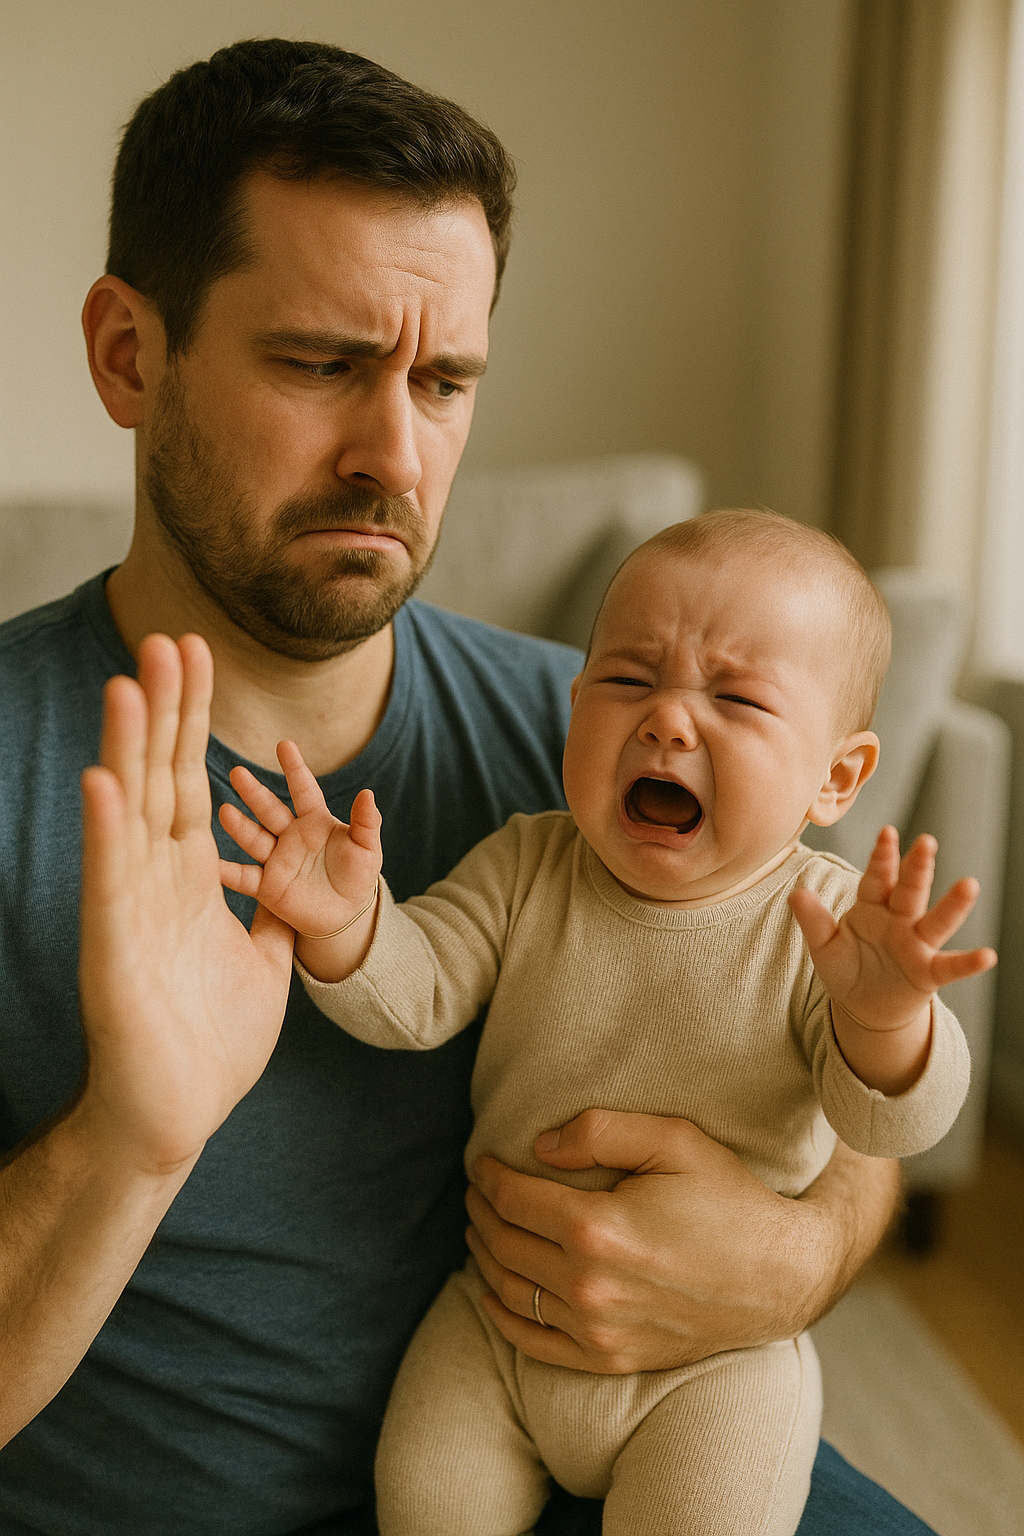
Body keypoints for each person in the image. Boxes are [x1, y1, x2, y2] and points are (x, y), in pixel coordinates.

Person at [0, 37, 930, 1536]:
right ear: (129, 353)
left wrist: (798, 1250)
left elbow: (846, 1074)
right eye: (320, 365)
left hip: (637, 1461)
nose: (396, 452)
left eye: (444, 380)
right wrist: (131, 1140)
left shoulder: (598, 739)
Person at [220, 510, 983, 1535]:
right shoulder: (526, 865)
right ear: (574, 707)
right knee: (425, 1498)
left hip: (709, 1367)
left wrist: (887, 1020)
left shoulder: (829, 929)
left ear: (836, 777)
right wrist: (353, 926)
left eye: (737, 697)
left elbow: (890, 1129)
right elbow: (416, 996)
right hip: (494, 1324)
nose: (668, 721)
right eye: (628, 680)